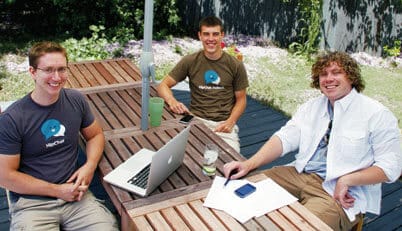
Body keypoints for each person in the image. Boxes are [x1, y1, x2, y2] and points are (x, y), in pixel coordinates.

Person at [223, 51, 402, 231]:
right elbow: (285, 138)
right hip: (298, 174)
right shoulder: (312, 107)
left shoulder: (377, 114)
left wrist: (348, 180)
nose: (328, 79)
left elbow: (391, 167)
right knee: (237, 193)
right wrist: (249, 163)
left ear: (351, 76)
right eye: (323, 74)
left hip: (338, 193)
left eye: (336, 72)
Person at [0, 41, 118, 230]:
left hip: (76, 197)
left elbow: (95, 135)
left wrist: (89, 166)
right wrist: (57, 191)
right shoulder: (13, 119)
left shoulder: (75, 100)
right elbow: (5, 176)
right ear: (33, 72)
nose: (56, 77)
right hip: (33, 204)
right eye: (48, 70)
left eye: (62, 69)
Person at [157, 16, 249, 152]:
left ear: (222, 35)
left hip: (223, 125)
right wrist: (172, 101)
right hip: (196, 120)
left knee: (231, 164)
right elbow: (163, 85)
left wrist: (231, 122)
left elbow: (241, 99)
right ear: (200, 36)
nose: (210, 39)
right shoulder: (190, 61)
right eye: (206, 34)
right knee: (174, 154)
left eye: (215, 34)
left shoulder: (235, 65)